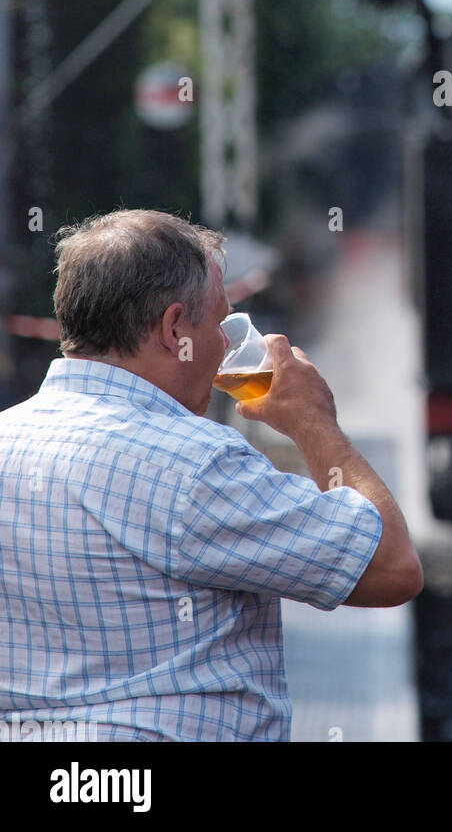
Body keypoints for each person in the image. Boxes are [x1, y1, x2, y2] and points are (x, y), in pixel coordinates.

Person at [0, 208, 422, 742]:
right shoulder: (194, 466)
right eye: (221, 323)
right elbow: (390, 566)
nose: (228, 346)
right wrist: (313, 423)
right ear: (175, 328)